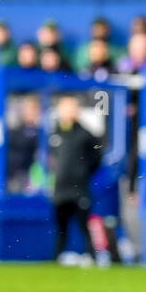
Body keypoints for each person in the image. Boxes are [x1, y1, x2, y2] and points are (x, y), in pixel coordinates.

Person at [49, 94, 102, 263]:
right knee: (61, 227)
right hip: (60, 188)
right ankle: (57, 258)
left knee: (83, 225)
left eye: (71, 108)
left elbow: (97, 155)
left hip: (79, 188)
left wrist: (83, 172)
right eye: (65, 108)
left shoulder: (85, 134)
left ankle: (93, 258)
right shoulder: (55, 133)